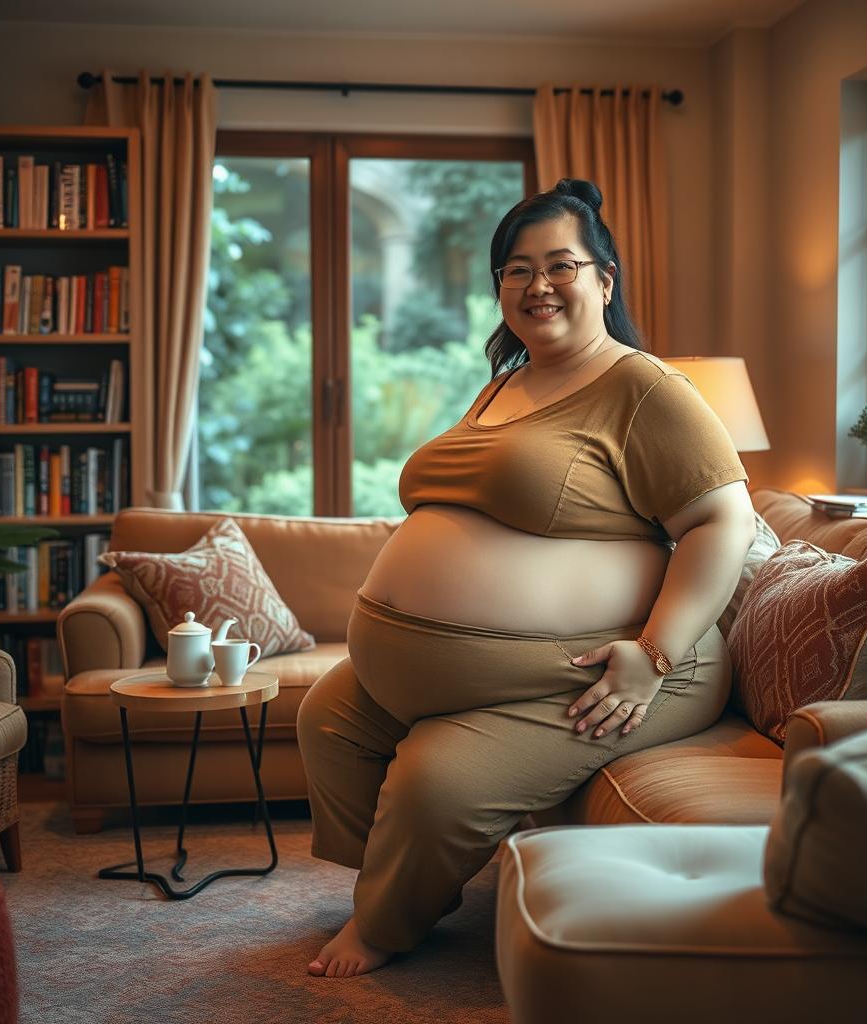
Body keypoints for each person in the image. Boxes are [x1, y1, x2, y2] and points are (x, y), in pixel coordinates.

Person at [298, 178, 756, 979]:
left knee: (436, 782)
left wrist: (655, 653)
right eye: (516, 268)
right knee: (328, 717)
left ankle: (384, 924)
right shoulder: (508, 380)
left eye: (561, 264)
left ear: (605, 281)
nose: (537, 284)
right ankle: (413, 885)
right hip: (467, 665)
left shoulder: (645, 388)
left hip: (619, 666)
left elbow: (725, 523)